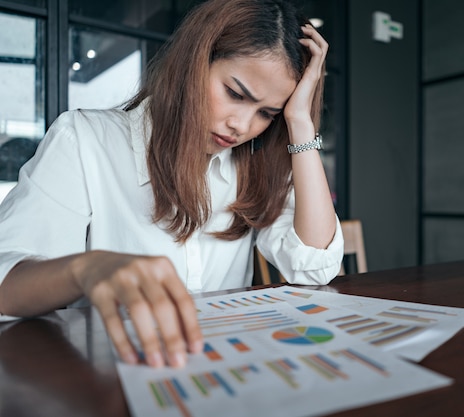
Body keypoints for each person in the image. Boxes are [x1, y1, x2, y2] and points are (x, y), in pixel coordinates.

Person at [0, 0, 343, 368]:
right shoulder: (85, 140)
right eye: (235, 93)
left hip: (220, 368)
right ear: (193, 62)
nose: (241, 126)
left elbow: (314, 268)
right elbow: (6, 285)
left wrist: (301, 122)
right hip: (110, 371)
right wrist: (85, 269)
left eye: (267, 114)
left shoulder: (256, 163)